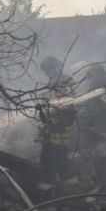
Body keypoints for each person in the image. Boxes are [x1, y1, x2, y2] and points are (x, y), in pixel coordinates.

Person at [36, 56, 78, 193]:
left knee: (56, 153)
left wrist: (59, 119)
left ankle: (62, 184)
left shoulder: (65, 81)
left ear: (56, 67)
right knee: (51, 153)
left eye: (48, 70)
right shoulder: (53, 81)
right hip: (51, 124)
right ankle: (55, 182)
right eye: (45, 71)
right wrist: (42, 109)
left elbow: (66, 104)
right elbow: (50, 101)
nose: (47, 73)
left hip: (60, 124)